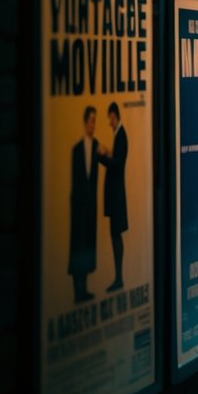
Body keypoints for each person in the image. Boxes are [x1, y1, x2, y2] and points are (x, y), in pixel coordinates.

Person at [68, 105, 100, 304]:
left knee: (88, 244)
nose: (92, 125)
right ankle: (77, 290)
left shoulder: (96, 145)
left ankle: (84, 288)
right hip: (79, 205)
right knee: (78, 246)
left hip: (90, 205)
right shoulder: (77, 149)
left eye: (94, 121)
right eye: (90, 121)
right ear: (85, 122)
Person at [96, 101, 127, 292]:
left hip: (116, 196)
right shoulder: (119, 135)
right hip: (116, 196)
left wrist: (101, 157)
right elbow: (117, 158)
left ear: (115, 116)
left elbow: (116, 164)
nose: (109, 123)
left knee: (115, 235)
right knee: (115, 234)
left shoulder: (121, 135)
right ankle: (118, 277)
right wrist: (109, 151)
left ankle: (118, 278)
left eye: (110, 118)